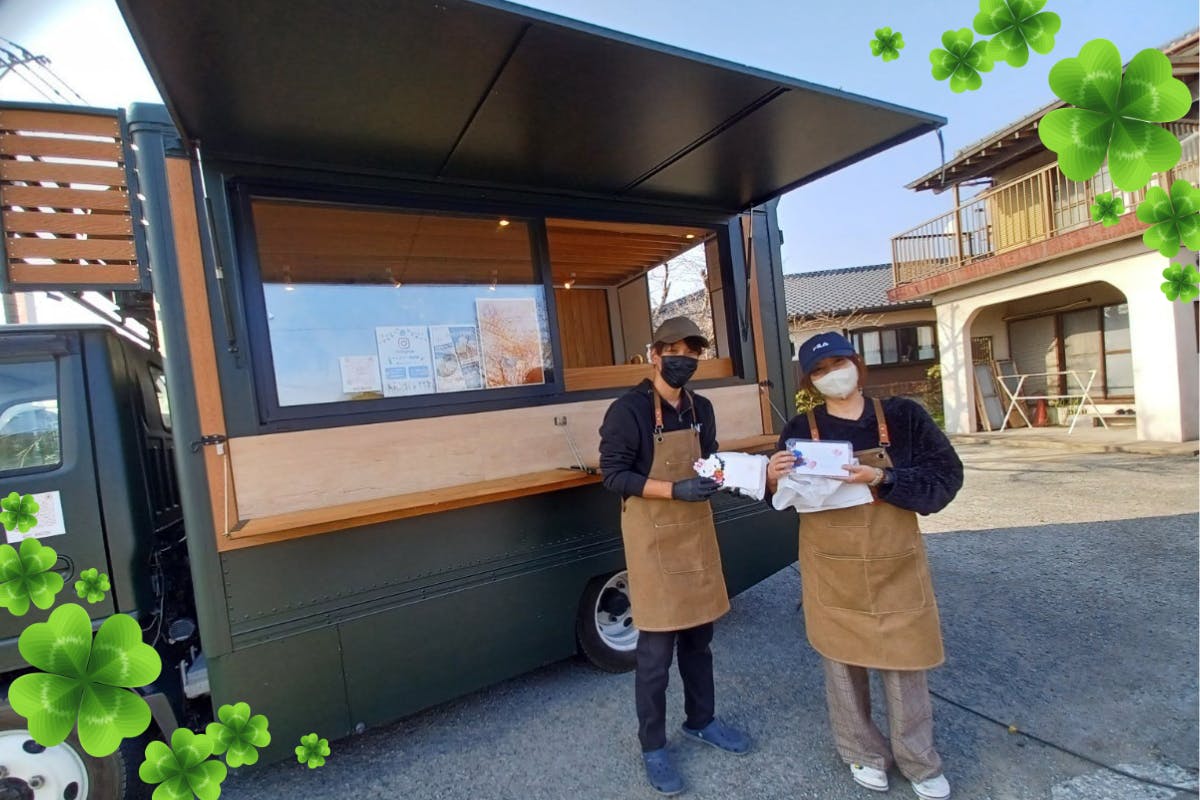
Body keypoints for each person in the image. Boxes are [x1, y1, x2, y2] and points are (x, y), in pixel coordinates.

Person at [766, 332, 963, 800]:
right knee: (842, 659)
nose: (832, 375)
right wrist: (772, 478)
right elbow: (786, 498)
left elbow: (946, 476)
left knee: (905, 659)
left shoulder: (903, 416)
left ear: (857, 363)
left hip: (894, 559)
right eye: (819, 371)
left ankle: (919, 759)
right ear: (809, 382)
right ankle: (862, 752)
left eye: (838, 363)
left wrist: (883, 476)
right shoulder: (800, 428)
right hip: (831, 562)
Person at [598, 316, 751, 796]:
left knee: (700, 640)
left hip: (696, 534)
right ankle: (653, 746)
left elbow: (710, 457)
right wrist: (674, 489)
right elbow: (613, 475)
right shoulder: (628, 411)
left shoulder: (701, 408)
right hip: (653, 540)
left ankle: (701, 720)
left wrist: (731, 478)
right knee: (655, 654)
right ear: (655, 355)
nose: (683, 359)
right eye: (674, 351)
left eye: (692, 352)